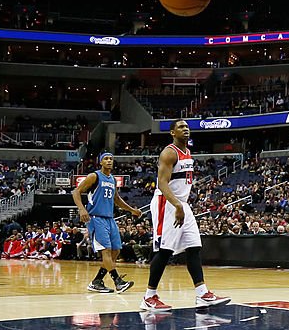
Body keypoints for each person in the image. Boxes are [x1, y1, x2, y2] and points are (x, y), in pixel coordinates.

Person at [141, 119, 230, 312]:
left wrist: (181, 205)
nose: (186, 129)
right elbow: (162, 184)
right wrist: (176, 205)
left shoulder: (187, 152)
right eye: (181, 127)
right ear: (172, 132)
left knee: (194, 246)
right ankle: (149, 297)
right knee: (164, 250)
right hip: (167, 203)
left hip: (182, 204)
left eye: (187, 127)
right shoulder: (169, 152)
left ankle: (202, 294)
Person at [71, 152, 141, 293]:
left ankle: (97, 281)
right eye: (106, 159)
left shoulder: (113, 180)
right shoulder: (94, 176)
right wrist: (82, 209)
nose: (109, 161)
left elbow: (116, 199)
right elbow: (76, 192)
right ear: (101, 162)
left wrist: (131, 210)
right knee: (106, 252)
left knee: (116, 251)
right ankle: (118, 282)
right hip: (96, 218)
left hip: (109, 218)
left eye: (111, 159)